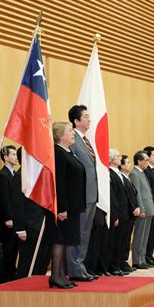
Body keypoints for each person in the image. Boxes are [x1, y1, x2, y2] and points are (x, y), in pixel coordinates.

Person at [49, 122, 86, 289]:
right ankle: (56, 276)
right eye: (70, 131)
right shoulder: (58, 153)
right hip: (65, 207)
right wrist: (61, 208)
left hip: (73, 206)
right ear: (59, 135)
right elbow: (59, 183)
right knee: (60, 240)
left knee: (65, 241)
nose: (73, 133)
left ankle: (60, 275)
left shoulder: (68, 152)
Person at [67, 105, 98, 282]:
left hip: (91, 195)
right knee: (77, 232)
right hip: (80, 196)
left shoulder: (86, 140)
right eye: (85, 116)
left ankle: (81, 266)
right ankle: (74, 269)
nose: (89, 119)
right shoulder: (72, 141)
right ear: (76, 121)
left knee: (85, 233)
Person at [13, 148, 51, 279]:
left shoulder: (35, 176)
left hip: (41, 225)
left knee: (41, 261)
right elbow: (17, 205)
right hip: (28, 228)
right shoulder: (19, 177)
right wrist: (20, 228)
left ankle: (37, 284)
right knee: (27, 262)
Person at [0, 145, 18, 283]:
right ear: (5, 157)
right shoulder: (3, 176)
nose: (15, 157)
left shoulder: (14, 174)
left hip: (16, 218)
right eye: (13, 154)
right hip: (8, 220)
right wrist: (8, 218)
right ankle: (4, 276)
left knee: (14, 249)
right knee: (7, 249)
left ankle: (11, 273)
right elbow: (4, 199)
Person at [129, 151, 154, 269]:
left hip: (149, 208)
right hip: (143, 209)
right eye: (146, 160)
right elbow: (137, 193)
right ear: (139, 161)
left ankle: (142, 258)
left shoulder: (142, 173)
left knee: (145, 236)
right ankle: (137, 260)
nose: (147, 163)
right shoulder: (134, 173)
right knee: (139, 236)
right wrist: (142, 209)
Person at [107, 148, 129, 276]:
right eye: (118, 156)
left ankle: (119, 263)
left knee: (121, 241)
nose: (120, 158)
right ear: (111, 159)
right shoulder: (110, 173)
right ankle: (113, 265)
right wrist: (115, 214)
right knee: (115, 242)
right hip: (117, 213)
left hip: (124, 212)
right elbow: (113, 196)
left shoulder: (119, 173)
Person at [120, 155, 140, 273]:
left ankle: (125, 260)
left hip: (131, 213)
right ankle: (121, 261)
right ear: (122, 166)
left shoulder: (127, 178)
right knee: (123, 239)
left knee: (127, 239)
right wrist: (133, 207)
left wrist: (137, 207)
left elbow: (133, 195)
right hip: (126, 213)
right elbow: (125, 198)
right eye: (127, 163)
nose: (130, 165)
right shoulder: (121, 178)